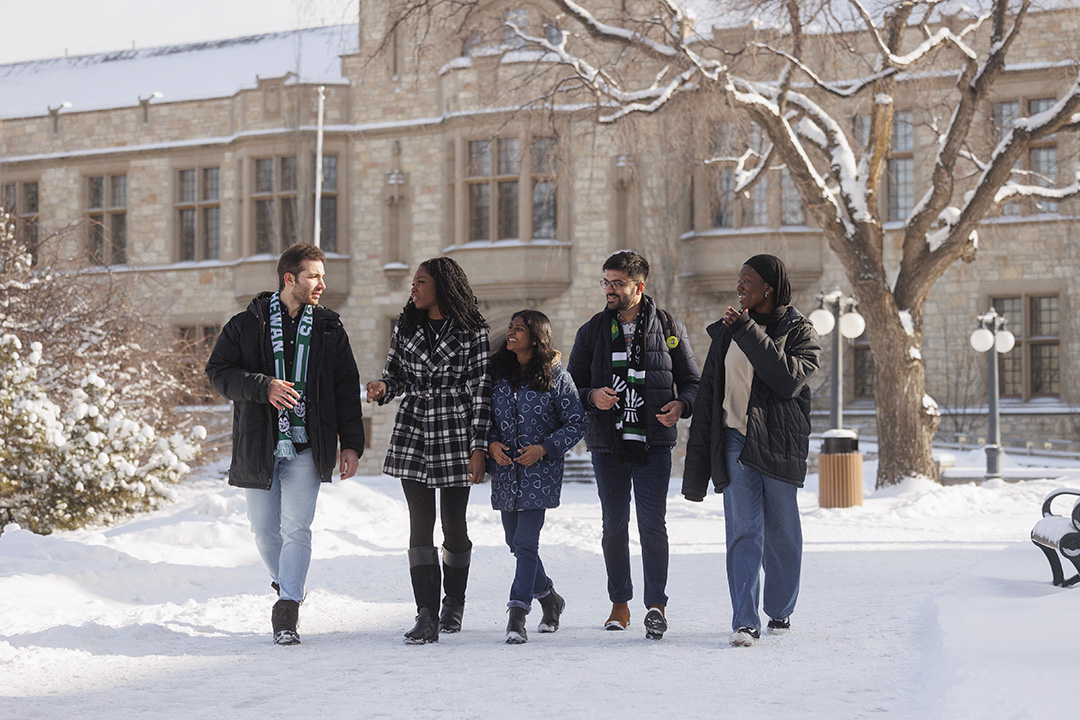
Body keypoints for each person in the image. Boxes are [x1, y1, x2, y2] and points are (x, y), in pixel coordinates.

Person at [206, 243, 365, 646]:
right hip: (259, 443)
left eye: (322, 276)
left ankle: (288, 606)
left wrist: (352, 444)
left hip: (308, 444)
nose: (322, 285)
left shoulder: (330, 328)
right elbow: (218, 373)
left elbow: (347, 389)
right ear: (289, 278)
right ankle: (287, 582)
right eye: (313, 276)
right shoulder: (246, 324)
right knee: (263, 531)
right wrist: (263, 386)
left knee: (297, 528)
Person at [682, 254, 821, 647]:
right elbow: (710, 393)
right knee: (743, 532)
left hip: (778, 441)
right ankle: (745, 621)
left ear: (768, 288)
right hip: (734, 440)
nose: (739, 286)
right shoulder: (729, 330)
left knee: (781, 534)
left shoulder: (799, 330)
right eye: (738, 280)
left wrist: (746, 329)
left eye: (747, 280)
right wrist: (698, 460)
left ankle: (780, 609)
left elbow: (787, 379)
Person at [567, 250, 699, 640]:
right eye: (605, 281)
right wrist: (593, 397)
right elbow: (570, 385)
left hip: (653, 442)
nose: (608, 289)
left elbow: (692, 381)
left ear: (638, 287)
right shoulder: (591, 330)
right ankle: (619, 603)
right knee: (614, 525)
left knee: (652, 525)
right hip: (608, 443)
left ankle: (655, 606)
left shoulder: (670, 326)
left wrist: (681, 405)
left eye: (617, 283)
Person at [366, 257, 492, 644]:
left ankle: (454, 602)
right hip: (415, 429)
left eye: (420, 282)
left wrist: (479, 447)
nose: (413, 289)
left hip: (456, 428)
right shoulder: (406, 326)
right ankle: (426, 614)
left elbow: (483, 392)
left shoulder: (474, 331)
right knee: (419, 525)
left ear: (442, 286)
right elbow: (397, 374)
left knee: (454, 525)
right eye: (413, 282)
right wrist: (385, 387)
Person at [488, 310, 588, 644]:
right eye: (511, 328)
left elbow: (576, 422)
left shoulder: (556, 375)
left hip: (539, 474)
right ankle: (550, 598)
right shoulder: (497, 374)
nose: (511, 333)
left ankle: (517, 615)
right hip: (505, 473)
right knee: (514, 542)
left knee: (526, 543)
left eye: (519, 329)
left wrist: (544, 449)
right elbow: (484, 416)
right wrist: (490, 444)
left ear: (536, 335)